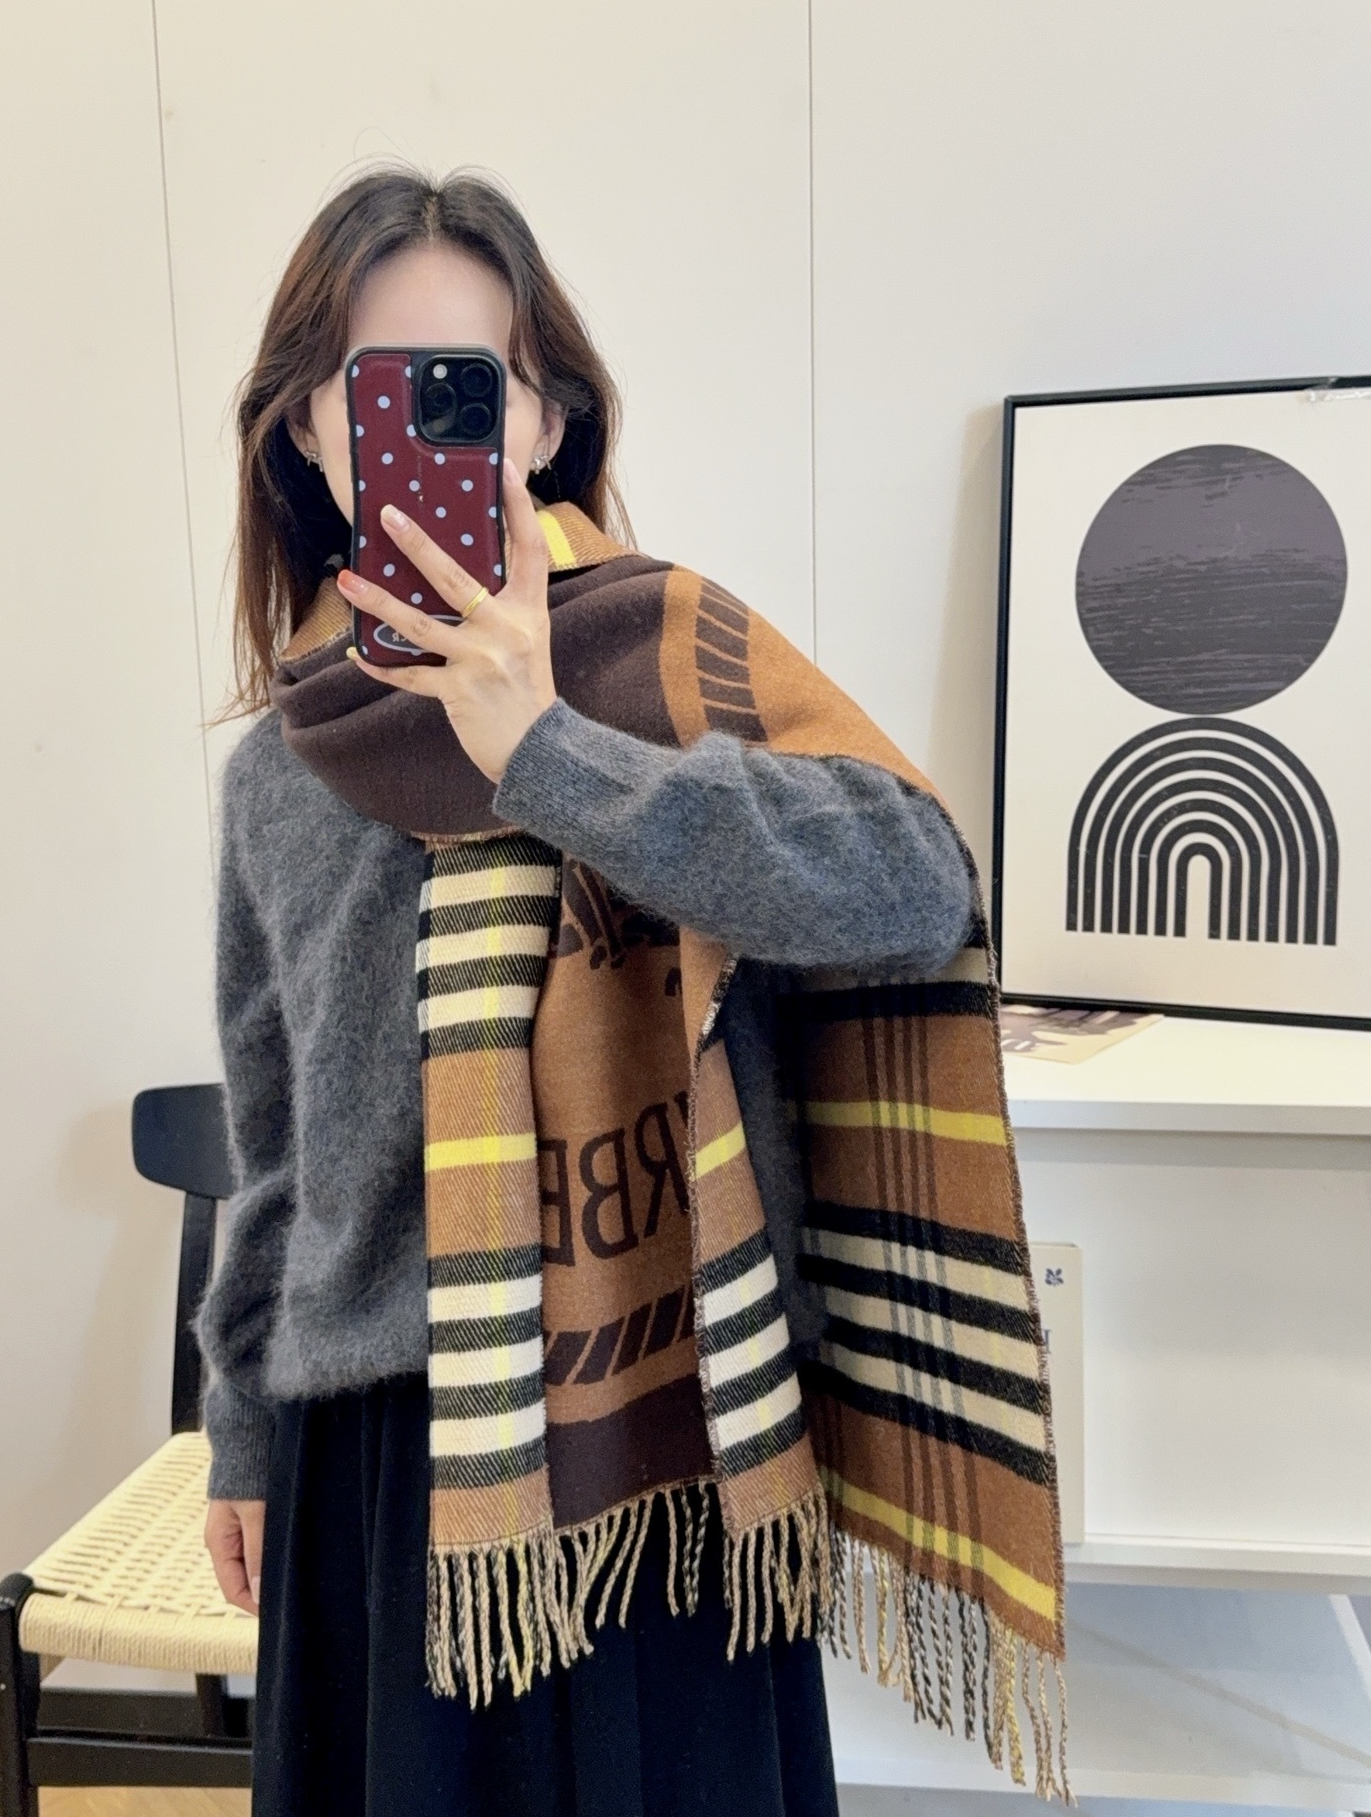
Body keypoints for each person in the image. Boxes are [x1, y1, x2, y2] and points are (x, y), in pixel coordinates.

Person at [197, 166, 994, 1817]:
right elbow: (274, 1150)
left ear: (546, 418)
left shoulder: (663, 657)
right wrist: (243, 1438)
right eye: (376, 386)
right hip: (379, 1460)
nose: (430, 426)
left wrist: (550, 754)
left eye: (472, 384)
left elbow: (917, 881)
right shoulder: (283, 765)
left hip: (660, 1439)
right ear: (309, 434)